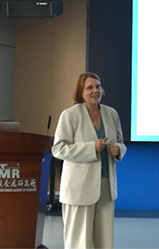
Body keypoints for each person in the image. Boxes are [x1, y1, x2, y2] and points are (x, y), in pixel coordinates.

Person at [52, 72, 127, 249]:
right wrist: (90, 148)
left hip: (105, 186)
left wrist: (119, 149)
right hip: (79, 188)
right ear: (81, 92)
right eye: (90, 87)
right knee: (79, 241)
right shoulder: (70, 115)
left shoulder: (111, 114)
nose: (95, 91)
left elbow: (121, 142)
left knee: (104, 240)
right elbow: (58, 149)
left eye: (98, 86)